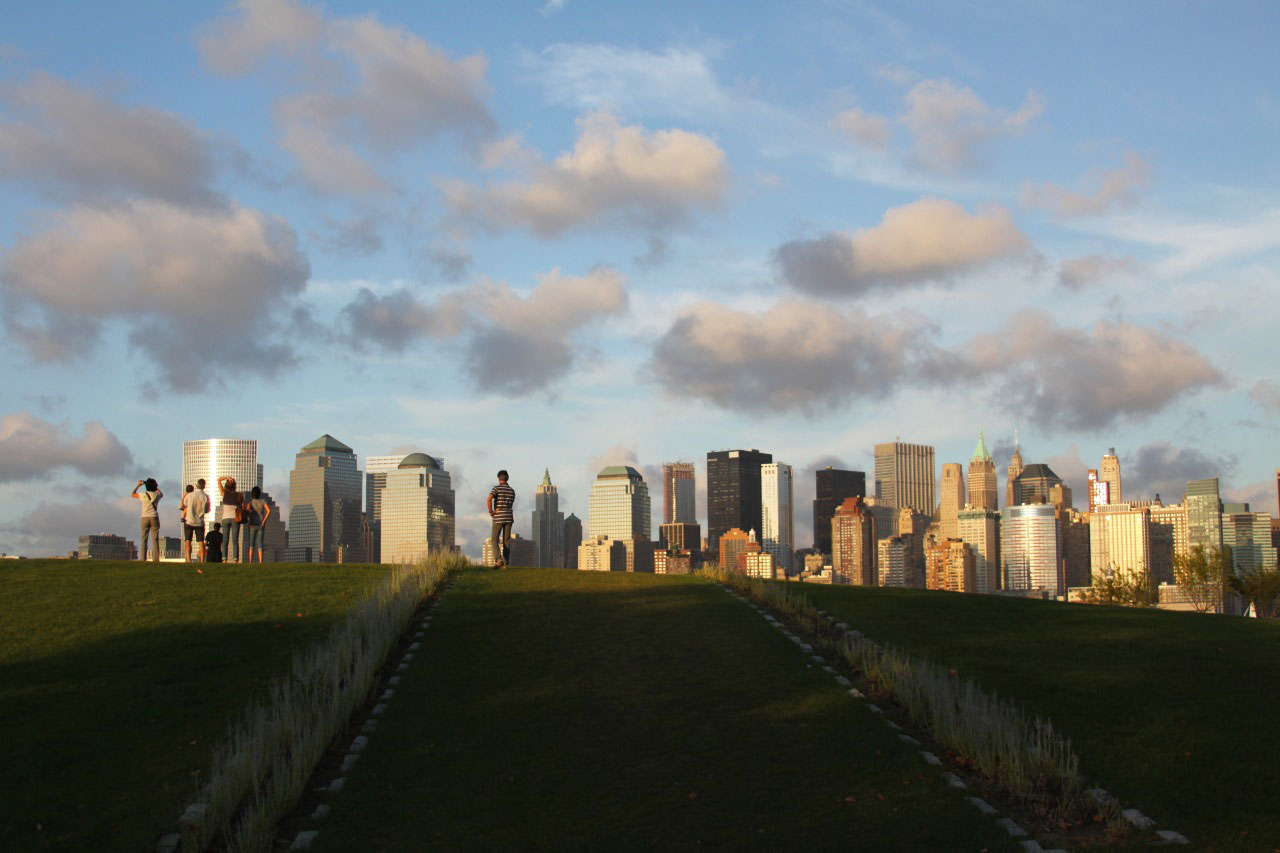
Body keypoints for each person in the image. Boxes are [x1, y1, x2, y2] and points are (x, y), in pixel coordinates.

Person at [487, 469, 515, 568]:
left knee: (494, 539)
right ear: (507, 478)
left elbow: (489, 498)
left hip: (498, 516)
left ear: (499, 478)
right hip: (509, 517)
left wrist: (491, 511)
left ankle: (498, 560)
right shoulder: (512, 491)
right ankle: (506, 563)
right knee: (506, 540)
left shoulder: (496, 488)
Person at [131, 478, 163, 562]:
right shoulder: (157, 495)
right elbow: (161, 493)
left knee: (144, 539)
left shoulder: (143, 494)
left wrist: (139, 485)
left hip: (144, 517)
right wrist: (154, 487)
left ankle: (143, 559)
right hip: (154, 517)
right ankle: (156, 559)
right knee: (155, 539)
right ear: (155, 486)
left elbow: (132, 494)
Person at [217, 476, 244, 563]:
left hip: (225, 518)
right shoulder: (239, 495)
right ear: (234, 486)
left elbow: (218, 480)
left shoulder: (224, 493)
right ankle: (235, 560)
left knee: (225, 540)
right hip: (235, 518)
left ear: (226, 486)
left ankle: (224, 559)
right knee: (235, 540)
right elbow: (242, 506)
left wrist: (226, 478)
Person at [182, 479, 209, 562]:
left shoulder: (190, 495)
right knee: (201, 542)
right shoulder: (205, 496)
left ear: (196, 486)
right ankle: (202, 560)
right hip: (199, 522)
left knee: (188, 540)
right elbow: (206, 510)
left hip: (189, 520)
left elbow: (184, 504)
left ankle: (188, 559)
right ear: (204, 486)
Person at [245, 485, 271, 564]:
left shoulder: (250, 502)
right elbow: (268, 511)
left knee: (251, 544)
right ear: (259, 493)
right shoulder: (263, 501)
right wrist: (263, 521)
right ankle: (260, 562)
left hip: (252, 525)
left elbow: (247, 512)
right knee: (260, 544)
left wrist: (250, 518)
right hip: (261, 524)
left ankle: (250, 562)